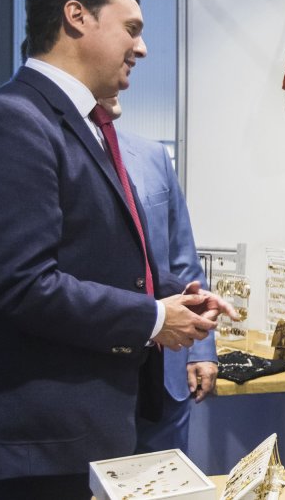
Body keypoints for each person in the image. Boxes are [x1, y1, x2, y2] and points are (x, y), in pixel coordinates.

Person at [0, 0, 236, 499]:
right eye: (133, 29)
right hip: (44, 432)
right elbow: (20, 284)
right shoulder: (10, 120)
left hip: (91, 420)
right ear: (76, 16)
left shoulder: (81, 126)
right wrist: (152, 316)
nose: (141, 49)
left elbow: (93, 252)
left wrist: (173, 296)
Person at [96, 96, 218, 455]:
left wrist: (200, 348)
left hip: (165, 369)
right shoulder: (52, 150)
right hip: (93, 369)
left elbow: (183, 260)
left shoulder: (151, 156)